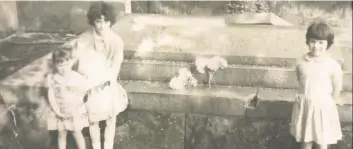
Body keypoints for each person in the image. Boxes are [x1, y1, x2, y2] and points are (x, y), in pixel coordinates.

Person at [62, 2, 128, 149]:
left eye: (106, 21)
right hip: (89, 83)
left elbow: (116, 67)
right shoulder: (83, 40)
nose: (102, 25)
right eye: (98, 21)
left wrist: (107, 83)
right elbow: (73, 65)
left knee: (111, 118)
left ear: (110, 22)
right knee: (93, 120)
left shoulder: (116, 41)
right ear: (93, 21)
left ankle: (108, 146)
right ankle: (96, 146)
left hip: (108, 83)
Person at [290, 20, 344, 149]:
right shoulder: (301, 61)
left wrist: (333, 102)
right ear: (307, 41)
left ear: (328, 44)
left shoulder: (332, 65)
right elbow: (300, 78)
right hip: (306, 105)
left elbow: (337, 86)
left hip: (322, 107)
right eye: (313, 41)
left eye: (321, 42)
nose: (316, 46)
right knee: (305, 140)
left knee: (321, 140)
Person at [46, 47, 90, 149]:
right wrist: (57, 111)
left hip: (73, 110)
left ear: (70, 62)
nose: (63, 68)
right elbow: (51, 95)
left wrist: (72, 109)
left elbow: (81, 95)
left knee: (76, 133)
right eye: (60, 65)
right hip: (60, 110)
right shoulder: (52, 78)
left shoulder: (76, 78)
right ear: (55, 65)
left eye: (66, 64)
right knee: (61, 134)